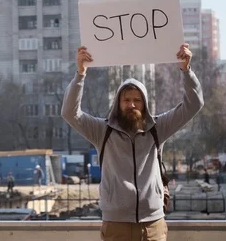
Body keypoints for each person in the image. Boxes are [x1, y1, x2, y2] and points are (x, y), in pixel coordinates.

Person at [61, 44, 204, 241]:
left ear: (144, 104)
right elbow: (69, 113)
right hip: (115, 225)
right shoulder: (102, 131)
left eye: (137, 100)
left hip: (153, 224)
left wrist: (186, 70)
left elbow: (193, 105)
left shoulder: (158, 128)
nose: (132, 105)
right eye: (126, 100)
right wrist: (80, 73)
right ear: (118, 104)